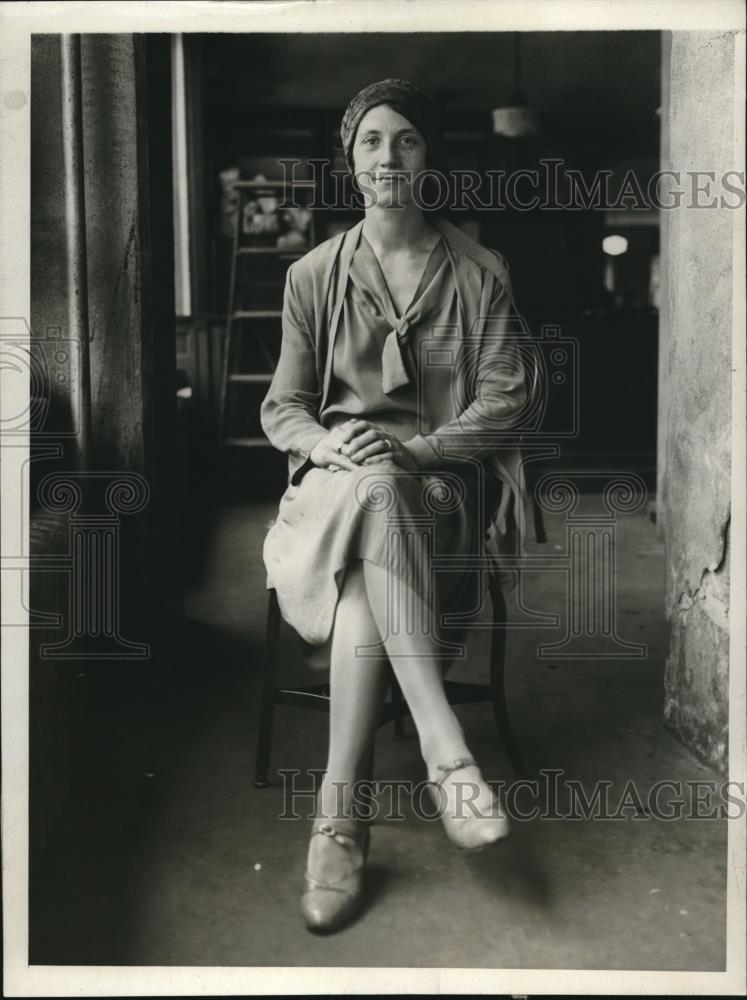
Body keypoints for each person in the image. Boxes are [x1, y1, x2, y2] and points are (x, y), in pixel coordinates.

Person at [260, 79, 530, 933]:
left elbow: (504, 399)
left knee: (378, 520)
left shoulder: (479, 271)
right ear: (351, 160)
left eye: (405, 141)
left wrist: (410, 449)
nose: (388, 157)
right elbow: (283, 406)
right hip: (339, 487)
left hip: (439, 485)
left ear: (427, 157)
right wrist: (323, 443)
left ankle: (338, 821)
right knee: (368, 488)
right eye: (372, 141)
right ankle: (446, 752)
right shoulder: (310, 274)